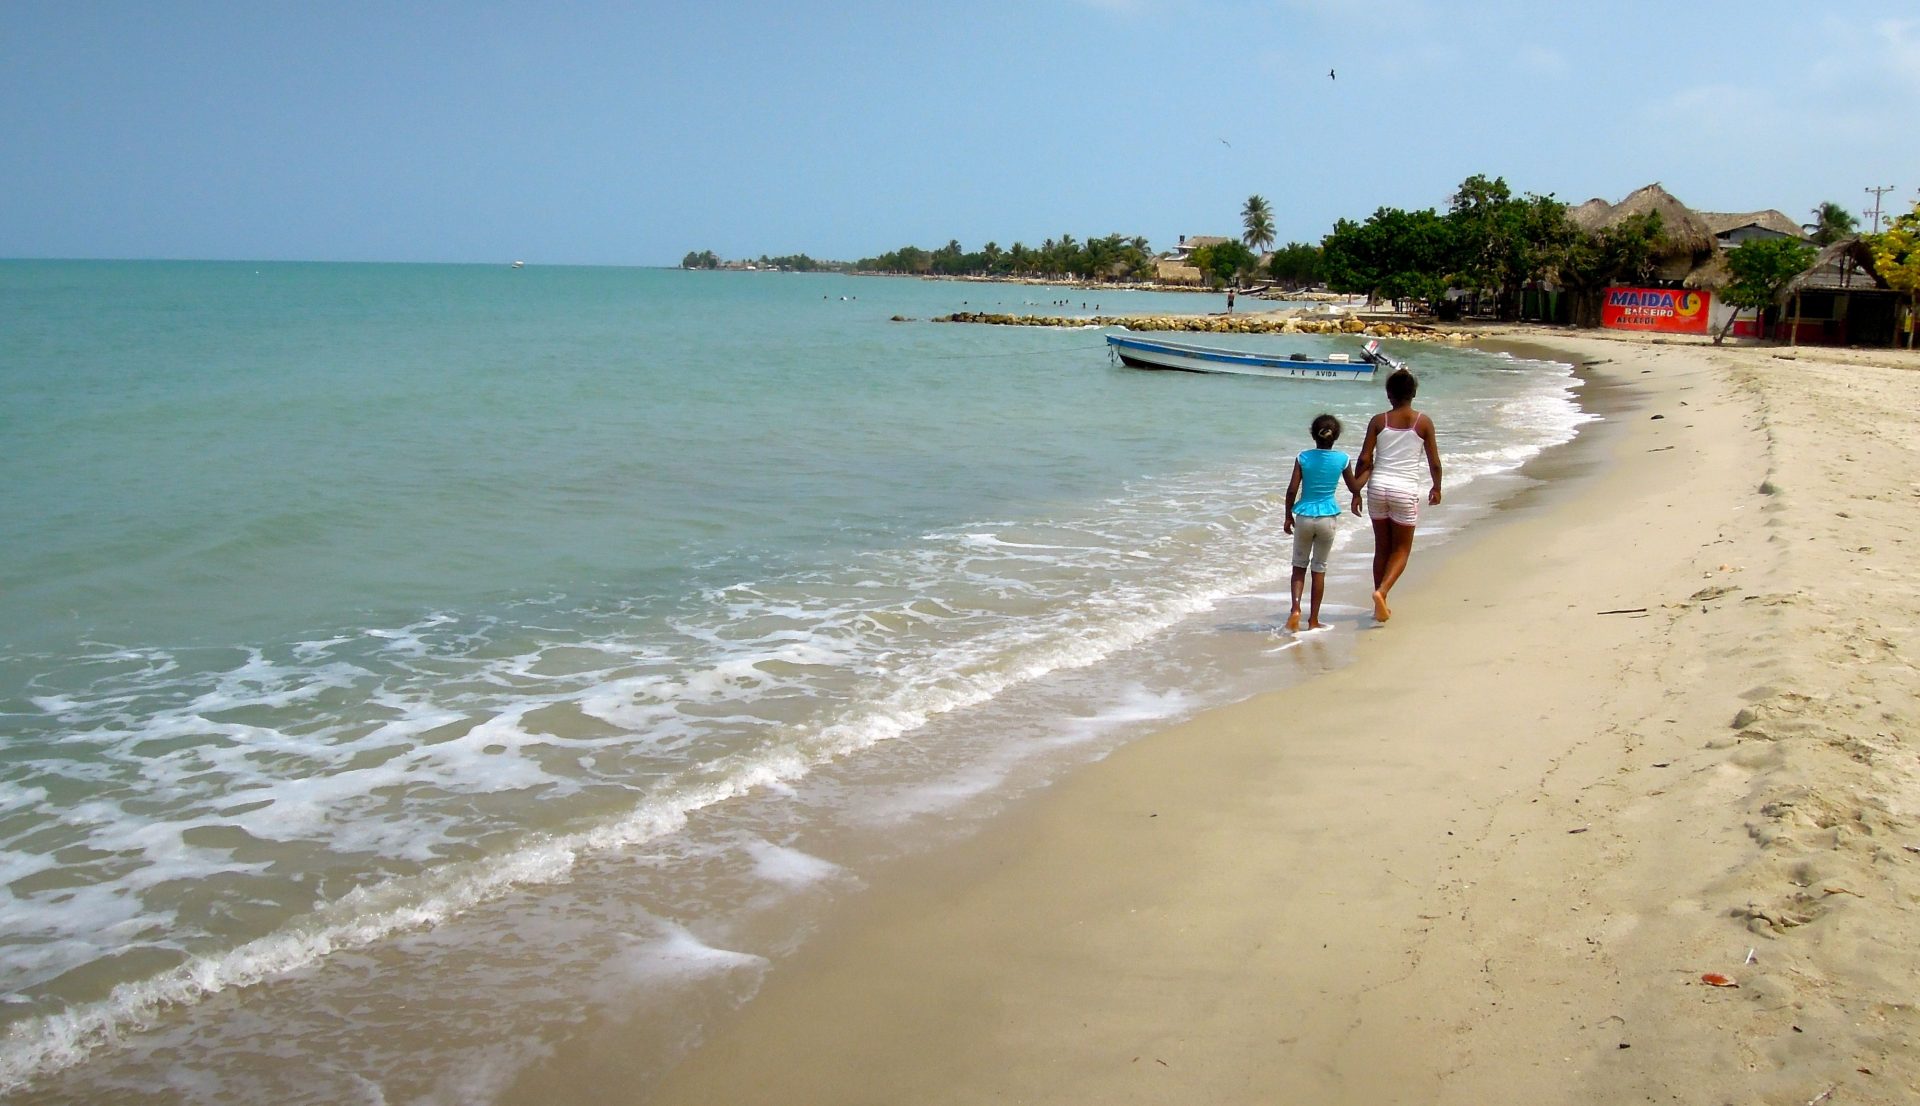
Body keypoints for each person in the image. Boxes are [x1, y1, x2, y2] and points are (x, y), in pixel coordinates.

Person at [1351, 367, 1442, 623]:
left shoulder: (1378, 421)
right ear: (1413, 394)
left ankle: (1381, 603)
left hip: (1377, 488)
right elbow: (1434, 462)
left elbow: (1364, 459)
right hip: (1404, 490)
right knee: (1401, 550)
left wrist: (1356, 491)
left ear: (1389, 394)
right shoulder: (1422, 422)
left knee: (1382, 547)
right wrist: (1436, 487)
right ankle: (1381, 593)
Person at [1283, 414, 1359, 632]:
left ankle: (1295, 610)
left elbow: (1292, 489)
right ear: (1335, 436)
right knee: (1319, 568)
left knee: (1299, 567)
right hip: (1327, 518)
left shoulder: (1303, 457)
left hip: (1304, 516)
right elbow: (1354, 486)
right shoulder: (1342, 459)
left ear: (1313, 434)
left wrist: (1288, 515)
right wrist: (1369, 471)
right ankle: (1313, 620)